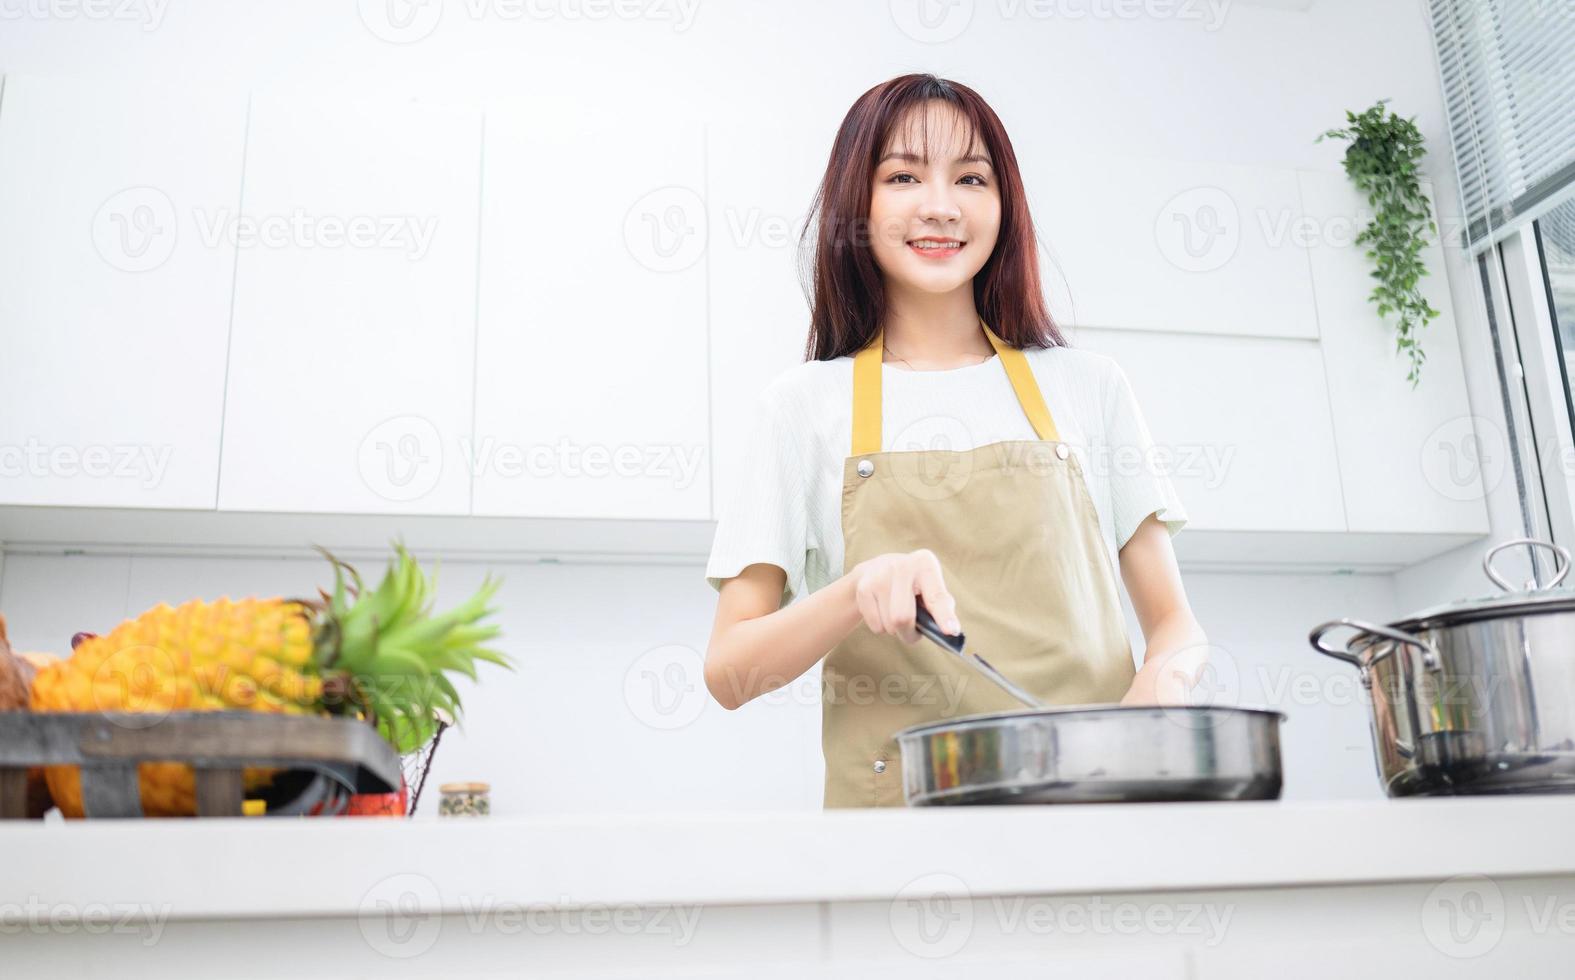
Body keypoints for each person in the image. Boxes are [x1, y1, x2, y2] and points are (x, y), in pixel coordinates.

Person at [702, 73, 1206, 809]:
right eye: (902, 175)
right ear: (857, 202)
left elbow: (1175, 624)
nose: (939, 205)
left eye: (971, 177)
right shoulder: (799, 409)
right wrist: (853, 593)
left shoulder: (1088, 388)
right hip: (897, 843)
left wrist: (1164, 678)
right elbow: (728, 673)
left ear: (1003, 206)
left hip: (1096, 819)